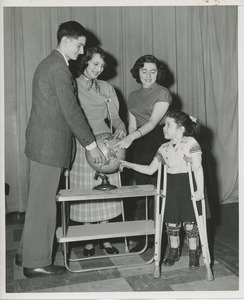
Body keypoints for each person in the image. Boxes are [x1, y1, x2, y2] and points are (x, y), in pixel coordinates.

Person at [15, 21, 105, 278]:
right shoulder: (57, 67)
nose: (81, 52)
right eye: (79, 46)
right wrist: (92, 144)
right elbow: (72, 111)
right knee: (43, 205)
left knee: (37, 202)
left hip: (43, 145)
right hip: (48, 146)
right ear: (66, 40)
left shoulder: (52, 64)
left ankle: (26, 252)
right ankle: (36, 263)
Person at [120, 110, 208, 269]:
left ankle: (194, 251)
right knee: (172, 221)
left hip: (188, 185)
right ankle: (174, 250)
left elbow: (197, 167)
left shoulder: (191, 143)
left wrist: (200, 190)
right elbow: (150, 170)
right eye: (164, 125)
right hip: (171, 186)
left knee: (190, 222)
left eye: (168, 125)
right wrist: (129, 164)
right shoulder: (163, 147)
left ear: (180, 129)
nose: (164, 128)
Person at [69, 46, 127, 257]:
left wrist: (121, 127)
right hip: (83, 142)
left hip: (105, 143)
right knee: (87, 192)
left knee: (106, 192)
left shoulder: (107, 88)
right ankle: (88, 240)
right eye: (95, 64)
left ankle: (106, 237)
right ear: (84, 62)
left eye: (102, 66)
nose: (99, 69)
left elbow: (115, 118)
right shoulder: (71, 85)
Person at [116, 54, 172, 252]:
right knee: (142, 194)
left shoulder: (163, 93)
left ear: (159, 73)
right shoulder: (132, 96)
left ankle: (163, 238)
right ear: (137, 72)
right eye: (144, 71)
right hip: (140, 146)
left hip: (159, 142)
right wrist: (124, 148)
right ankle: (146, 237)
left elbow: (152, 123)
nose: (148, 75)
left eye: (153, 71)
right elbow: (132, 126)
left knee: (160, 193)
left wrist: (131, 138)